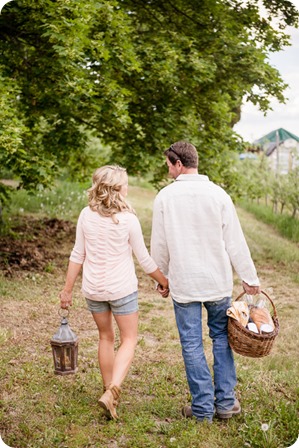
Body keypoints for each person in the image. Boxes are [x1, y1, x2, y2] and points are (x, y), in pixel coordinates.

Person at [151, 141, 260, 423]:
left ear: (178, 164)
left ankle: (202, 409)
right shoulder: (218, 195)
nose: (168, 170)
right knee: (221, 339)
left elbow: (159, 245)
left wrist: (161, 279)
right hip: (216, 282)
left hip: (184, 283)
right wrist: (249, 278)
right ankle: (225, 403)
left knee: (191, 344)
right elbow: (235, 241)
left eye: (168, 165)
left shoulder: (165, 197)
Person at [59, 165, 169, 420]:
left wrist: (67, 290)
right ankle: (112, 392)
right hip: (122, 289)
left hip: (94, 290)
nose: (128, 188)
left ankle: (108, 392)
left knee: (105, 338)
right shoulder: (128, 220)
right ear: (116, 189)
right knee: (128, 339)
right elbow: (144, 260)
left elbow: (78, 254)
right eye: (125, 184)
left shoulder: (86, 215)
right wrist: (164, 281)